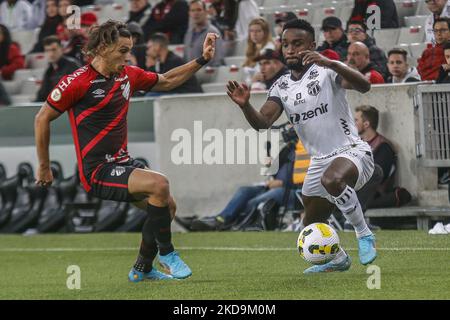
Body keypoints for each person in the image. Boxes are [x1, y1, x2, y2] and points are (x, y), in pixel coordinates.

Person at [34, 20, 218, 281]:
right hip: (96, 170)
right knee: (159, 184)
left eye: (129, 49)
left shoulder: (127, 75)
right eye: (122, 50)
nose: (127, 56)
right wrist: (43, 165)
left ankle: (142, 268)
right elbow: (42, 118)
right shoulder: (77, 82)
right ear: (102, 48)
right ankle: (167, 253)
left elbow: (166, 80)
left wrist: (202, 59)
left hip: (122, 162)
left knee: (167, 206)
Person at [226, 19, 376, 273]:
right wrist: (245, 106)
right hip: (319, 161)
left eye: (297, 44)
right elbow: (263, 123)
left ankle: (364, 234)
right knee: (311, 221)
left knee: (333, 180)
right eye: (286, 44)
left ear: (312, 45)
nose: (290, 50)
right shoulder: (281, 86)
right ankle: (337, 259)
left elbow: (364, 85)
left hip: (352, 152)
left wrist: (331, 62)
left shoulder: (327, 71)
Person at [190, 132, 304, 231]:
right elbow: (274, 171)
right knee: (244, 191)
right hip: (273, 186)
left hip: (291, 190)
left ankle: (234, 224)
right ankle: (221, 219)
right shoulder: (287, 150)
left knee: (254, 201)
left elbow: (306, 178)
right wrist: (270, 166)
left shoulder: (307, 150)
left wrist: (284, 183)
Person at [354, 105, 411, 209]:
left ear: (366, 124)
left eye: (356, 120)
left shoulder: (383, 146)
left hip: (374, 193)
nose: (353, 124)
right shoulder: (356, 145)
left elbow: (377, 177)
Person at [35, 36, 82, 102]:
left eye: (54, 50)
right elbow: (42, 95)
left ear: (61, 49)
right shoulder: (49, 71)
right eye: (47, 50)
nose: (51, 54)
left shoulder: (72, 65)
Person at [183, 0, 224, 67]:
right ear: (189, 13)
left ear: (206, 12)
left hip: (208, 75)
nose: (195, 13)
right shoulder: (188, 33)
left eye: (199, 10)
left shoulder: (213, 32)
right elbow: (185, 58)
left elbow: (218, 60)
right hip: (191, 75)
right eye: (192, 10)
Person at [242, 17, 275, 84]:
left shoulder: (269, 48)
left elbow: (261, 75)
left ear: (265, 33)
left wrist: (251, 81)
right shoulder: (252, 49)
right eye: (251, 31)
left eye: (258, 31)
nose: (254, 34)